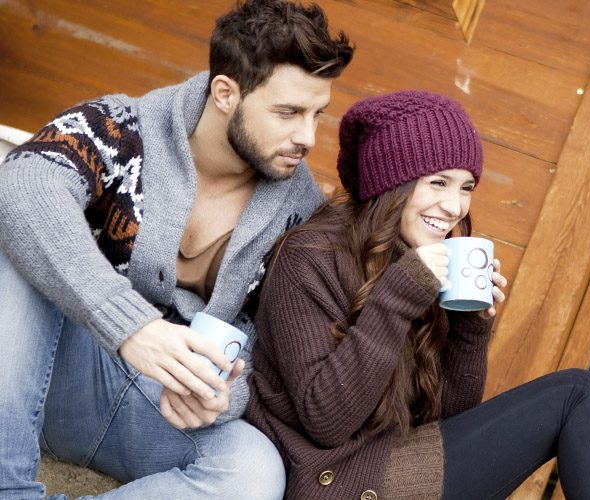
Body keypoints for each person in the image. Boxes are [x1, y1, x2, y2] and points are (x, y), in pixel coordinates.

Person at [0, 0, 353, 498]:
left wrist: (222, 396)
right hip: (52, 376)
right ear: (225, 93)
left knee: (255, 471)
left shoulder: (302, 216)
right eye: (288, 112)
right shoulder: (121, 128)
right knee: (16, 234)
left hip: (157, 411)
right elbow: (22, 185)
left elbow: (279, 349)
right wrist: (131, 326)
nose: (308, 136)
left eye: (318, 114)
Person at [247, 90, 590, 499]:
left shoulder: (419, 263)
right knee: (577, 393)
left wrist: (470, 328)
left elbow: (442, 430)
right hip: (336, 481)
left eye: (466, 187)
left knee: (580, 394)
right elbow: (325, 420)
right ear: (391, 182)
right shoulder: (310, 259)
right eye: (438, 183)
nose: (455, 207)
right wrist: (397, 298)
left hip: (390, 467)